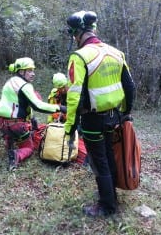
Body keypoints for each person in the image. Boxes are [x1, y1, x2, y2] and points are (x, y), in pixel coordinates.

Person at [65, 11, 135, 217]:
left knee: (99, 161)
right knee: (109, 156)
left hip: (92, 119)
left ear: (77, 34)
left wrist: (70, 128)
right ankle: (111, 195)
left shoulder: (79, 57)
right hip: (113, 116)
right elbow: (130, 87)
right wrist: (125, 113)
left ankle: (107, 206)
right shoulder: (116, 53)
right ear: (93, 29)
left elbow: (74, 96)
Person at [0, 57, 66, 171]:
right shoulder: (24, 86)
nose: (33, 74)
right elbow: (38, 105)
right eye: (29, 71)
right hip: (16, 125)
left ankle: (9, 143)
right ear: (21, 71)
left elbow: (21, 104)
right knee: (29, 147)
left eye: (33, 70)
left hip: (0, 122)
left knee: (13, 132)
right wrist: (60, 108)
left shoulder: (11, 81)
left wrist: (32, 119)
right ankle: (16, 155)